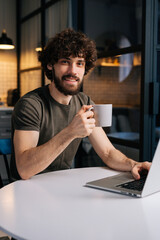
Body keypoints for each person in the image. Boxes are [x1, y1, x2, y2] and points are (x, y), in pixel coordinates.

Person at [10, 28, 151, 181]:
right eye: (65, 62)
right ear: (51, 65)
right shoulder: (30, 105)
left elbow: (108, 152)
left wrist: (133, 164)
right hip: (25, 190)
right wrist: (70, 132)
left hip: (60, 185)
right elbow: (24, 170)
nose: (73, 71)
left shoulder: (85, 103)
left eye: (79, 64)